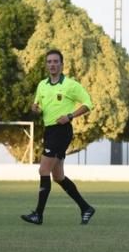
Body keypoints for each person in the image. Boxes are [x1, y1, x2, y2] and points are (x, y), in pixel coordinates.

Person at [21, 49, 96, 226]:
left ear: (62, 65)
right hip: (49, 131)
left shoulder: (71, 85)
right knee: (58, 176)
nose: (52, 64)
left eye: (56, 61)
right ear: (46, 65)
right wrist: (35, 109)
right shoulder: (42, 85)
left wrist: (70, 116)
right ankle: (86, 208)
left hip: (61, 131)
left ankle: (38, 214)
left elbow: (88, 104)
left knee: (43, 171)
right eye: (49, 62)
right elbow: (36, 105)